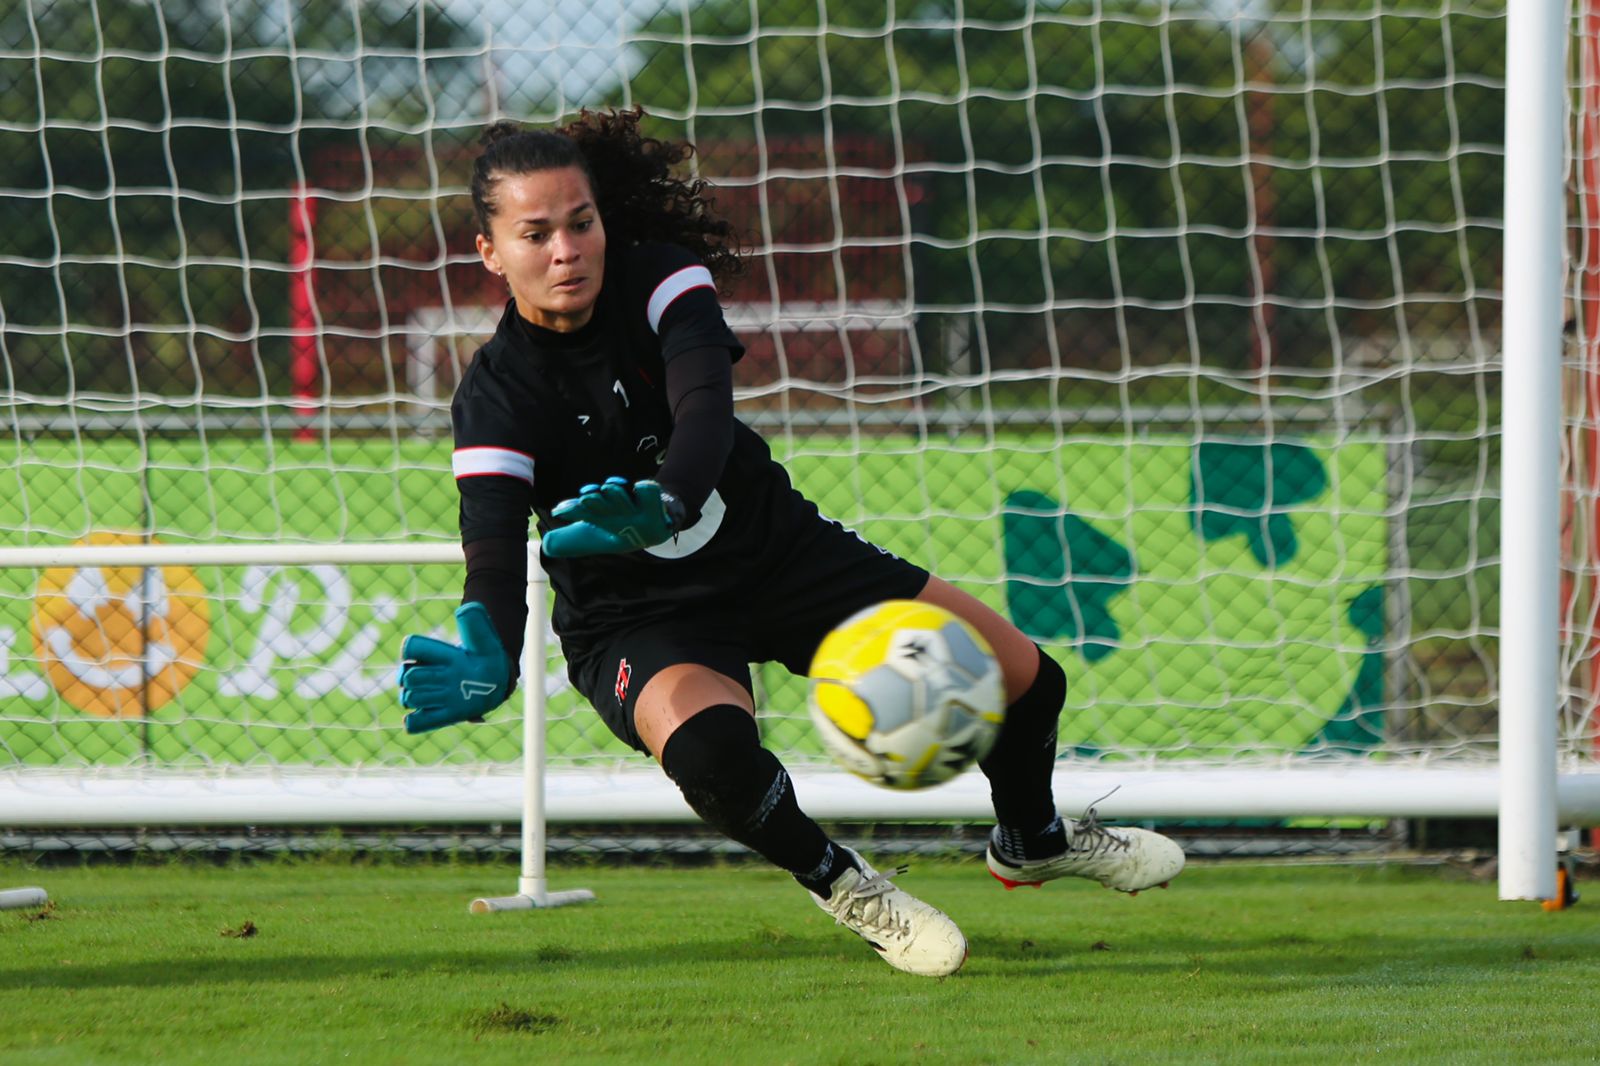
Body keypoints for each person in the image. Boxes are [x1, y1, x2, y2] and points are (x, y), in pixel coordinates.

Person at [397, 109, 1184, 978]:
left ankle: (1033, 840)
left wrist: (669, 500)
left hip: (778, 554)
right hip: (638, 615)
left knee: (1029, 681)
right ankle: (843, 882)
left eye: (581, 223)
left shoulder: (661, 279)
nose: (566, 251)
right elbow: (493, 549)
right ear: (490, 251)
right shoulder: (494, 396)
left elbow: (705, 409)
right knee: (711, 755)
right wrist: (492, 645)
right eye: (536, 234)